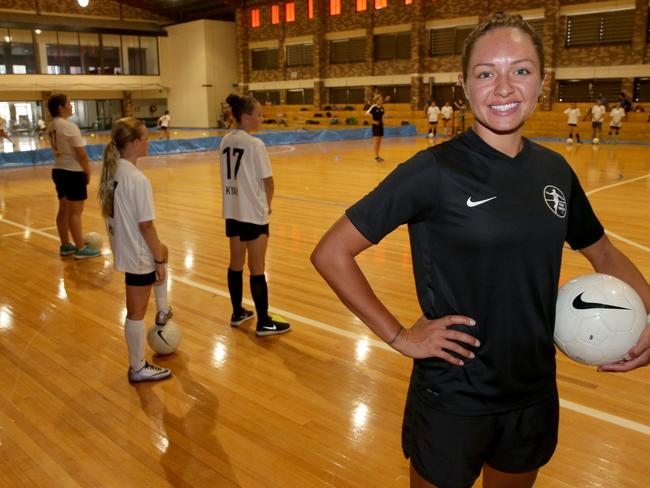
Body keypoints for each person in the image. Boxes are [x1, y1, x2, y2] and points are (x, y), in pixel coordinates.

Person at [311, 13, 650, 488]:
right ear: (465, 87)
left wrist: (649, 317)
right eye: (487, 73)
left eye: (521, 70)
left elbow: (606, 255)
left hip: (532, 391)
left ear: (542, 81)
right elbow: (331, 252)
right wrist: (400, 337)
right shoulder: (431, 171)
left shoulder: (554, 171)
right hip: (454, 393)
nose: (505, 87)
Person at [98, 117, 173, 382]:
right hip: (138, 251)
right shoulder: (138, 179)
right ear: (135, 143)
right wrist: (159, 261)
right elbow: (147, 226)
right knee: (136, 313)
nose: (149, 142)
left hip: (125, 247)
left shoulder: (114, 171)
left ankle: (163, 310)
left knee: (163, 248)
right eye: (145, 138)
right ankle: (138, 366)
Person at [220, 94, 290, 336]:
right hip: (253, 213)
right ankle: (263, 322)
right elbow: (269, 183)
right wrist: (267, 206)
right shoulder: (255, 145)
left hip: (233, 211)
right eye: (259, 114)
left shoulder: (225, 140)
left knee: (236, 265)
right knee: (257, 268)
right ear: (246, 118)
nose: (262, 118)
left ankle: (238, 312)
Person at [47, 94, 101, 259]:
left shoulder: (51, 125)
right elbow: (81, 154)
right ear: (60, 108)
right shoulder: (69, 126)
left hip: (58, 170)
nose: (71, 106)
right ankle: (80, 247)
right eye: (68, 104)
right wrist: (87, 172)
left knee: (63, 209)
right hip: (72, 172)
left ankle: (65, 245)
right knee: (75, 212)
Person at [366, 95, 385, 162]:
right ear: (376, 100)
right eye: (380, 99)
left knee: (379, 142)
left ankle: (378, 156)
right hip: (375, 126)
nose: (381, 101)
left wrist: (383, 122)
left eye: (381, 100)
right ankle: (376, 156)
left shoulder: (382, 108)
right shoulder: (373, 107)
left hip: (381, 126)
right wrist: (373, 121)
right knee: (376, 141)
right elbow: (367, 113)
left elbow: (382, 116)